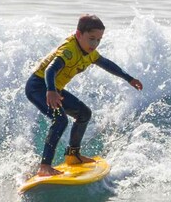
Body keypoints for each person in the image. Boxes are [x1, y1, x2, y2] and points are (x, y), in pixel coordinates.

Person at [25, 14, 143, 176]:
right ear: (79, 35)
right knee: (60, 120)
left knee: (84, 114)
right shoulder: (69, 50)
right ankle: (44, 167)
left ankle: (73, 155)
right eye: (91, 38)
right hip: (38, 86)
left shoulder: (89, 52)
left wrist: (129, 78)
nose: (95, 44)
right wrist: (51, 90)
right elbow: (50, 70)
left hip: (54, 88)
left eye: (98, 40)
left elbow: (107, 64)